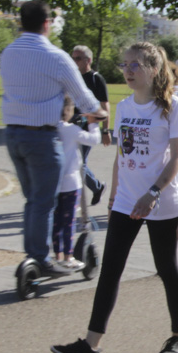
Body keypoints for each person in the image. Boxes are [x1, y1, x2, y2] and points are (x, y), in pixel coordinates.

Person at [51, 42, 178, 353]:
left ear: (153, 69)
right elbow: (122, 154)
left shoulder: (173, 107)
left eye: (135, 65)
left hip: (163, 198)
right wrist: (116, 194)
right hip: (128, 199)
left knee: (166, 267)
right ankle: (91, 345)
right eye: (125, 65)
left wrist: (153, 192)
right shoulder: (125, 106)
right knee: (111, 270)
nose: (128, 71)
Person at [0, 0, 104, 276]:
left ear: (21, 22)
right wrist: (99, 113)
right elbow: (83, 97)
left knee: (33, 200)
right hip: (42, 138)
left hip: (13, 134)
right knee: (45, 202)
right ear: (47, 24)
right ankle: (39, 259)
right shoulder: (56, 57)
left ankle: (34, 256)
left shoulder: (8, 52)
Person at [51, 96, 102, 270]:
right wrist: (93, 122)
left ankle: (57, 256)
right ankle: (68, 257)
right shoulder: (71, 129)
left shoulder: (49, 129)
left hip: (54, 184)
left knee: (56, 221)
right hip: (71, 184)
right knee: (69, 221)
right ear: (67, 110)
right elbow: (94, 139)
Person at [70, 45, 110, 206]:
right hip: (72, 124)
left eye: (78, 58)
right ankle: (96, 188)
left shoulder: (96, 78)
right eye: (73, 58)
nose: (74, 61)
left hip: (88, 125)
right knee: (71, 161)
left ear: (89, 60)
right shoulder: (73, 77)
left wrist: (105, 130)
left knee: (79, 163)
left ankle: (91, 190)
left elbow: (105, 106)